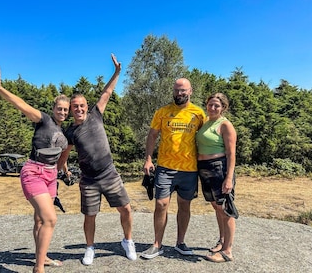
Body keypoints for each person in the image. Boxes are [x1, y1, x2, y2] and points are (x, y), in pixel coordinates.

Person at [57, 54, 137, 266]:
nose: (79, 109)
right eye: (75, 107)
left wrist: (117, 73)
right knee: (90, 216)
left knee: (126, 209)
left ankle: (128, 241)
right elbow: (64, 153)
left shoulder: (96, 114)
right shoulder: (70, 131)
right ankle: (90, 248)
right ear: (71, 110)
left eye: (82, 105)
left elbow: (107, 92)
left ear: (86, 105)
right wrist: (62, 171)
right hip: (89, 180)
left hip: (110, 174)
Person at [0, 64, 69, 273]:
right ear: (53, 109)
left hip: (51, 176)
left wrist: (65, 170)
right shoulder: (43, 120)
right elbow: (21, 104)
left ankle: (42, 258)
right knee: (50, 218)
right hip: (34, 172)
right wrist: (0, 88)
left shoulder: (64, 133)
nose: (62, 112)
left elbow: (60, 153)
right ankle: (38, 268)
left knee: (39, 220)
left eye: (65, 110)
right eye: (59, 109)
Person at [140, 78, 206, 259]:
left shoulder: (199, 113)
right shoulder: (163, 112)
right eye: (177, 90)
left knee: (184, 206)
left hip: (189, 169)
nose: (179, 93)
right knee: (161, 205)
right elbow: (152, 135)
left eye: (183, 90)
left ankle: (180, 242)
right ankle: (157, 244)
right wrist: (148, 159)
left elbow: (206, 137)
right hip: (165, 167)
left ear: (190, 91)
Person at [195, 92, 237, 262]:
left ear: (223, 108)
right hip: (205, 169)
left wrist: (228, 178)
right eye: (210, 104)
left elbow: (231, 153)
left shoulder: (225, 125)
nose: (212, 108)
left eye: (217, 105)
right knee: (216, 207)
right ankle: (221, 241)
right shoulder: (206, 122)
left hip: (220, 168)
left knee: (225, 208)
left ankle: (227, 251)